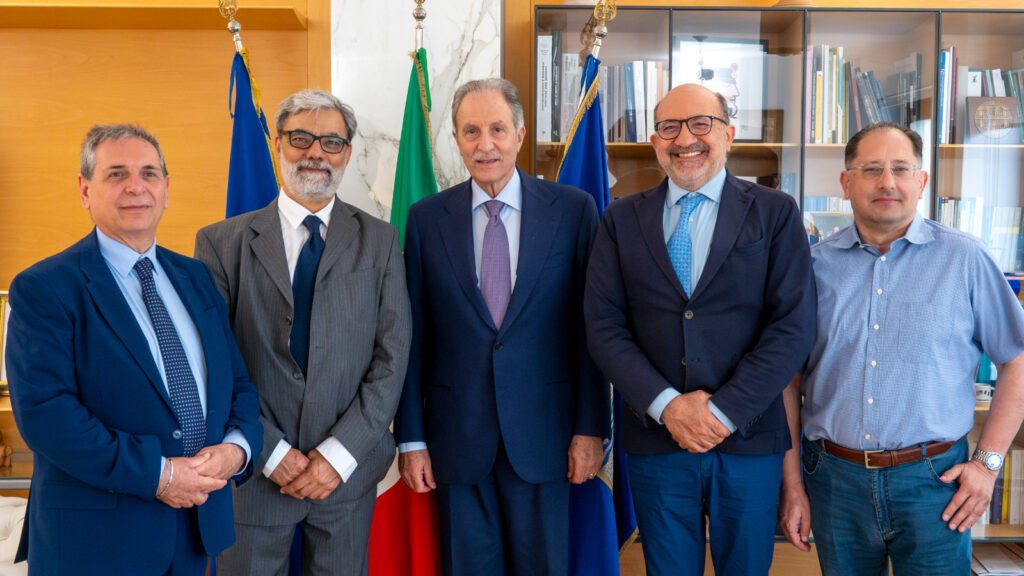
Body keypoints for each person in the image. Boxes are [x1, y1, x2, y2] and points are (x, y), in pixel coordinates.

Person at [6, 124, 262, 574]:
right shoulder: (44, 288)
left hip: (193, 532)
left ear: (166, 189)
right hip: (95, 544)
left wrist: (236, 450)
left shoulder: (196, 277)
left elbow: (237, 382)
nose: (136, 187)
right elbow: (48, 416)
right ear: (85, 190)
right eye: (117, 174)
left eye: (149, 173)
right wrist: (160, 475)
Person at [584, 83, 816, 575]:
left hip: (749, 439)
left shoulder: (775, 212)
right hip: (657, 440)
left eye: (701, 124)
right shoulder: (620, 218)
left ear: (728, 135)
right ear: (655, 142)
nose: (685, 138)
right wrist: (668, 406)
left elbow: (792, 327)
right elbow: (603, 326)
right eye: (670, 127)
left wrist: (723, 412)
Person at [779, 122, 1024, 575]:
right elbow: (787, 382)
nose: (887, 182)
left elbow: (1017, 360)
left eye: (901, 169)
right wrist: (792, 485)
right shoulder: (811, 267)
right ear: (846, 183)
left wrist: (988, 465)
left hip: (935, 483)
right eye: (871, 169)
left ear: (921, 181)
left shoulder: (966, 259)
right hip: (833, 481)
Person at [395, 78, 609, 576]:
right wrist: (411, 439)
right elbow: (412, 336)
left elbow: (591, 332)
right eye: (471, 131)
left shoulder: (573, 210)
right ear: (455, 139)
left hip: (547, 439)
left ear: (520, 134)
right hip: (456, 441)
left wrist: (591, 428)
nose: (485, 144)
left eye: (497, 129)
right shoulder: (426, 219)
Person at [195, 89, 411, 575]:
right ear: (278, 144)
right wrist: (270, 451)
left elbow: (392, 356)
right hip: (254, 474)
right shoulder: (221, 243)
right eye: (301, 138)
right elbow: (213, 363)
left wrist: (337, 455)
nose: (316, 152)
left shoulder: (380, 241)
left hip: (346, 476)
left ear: (347, 153)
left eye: (331, 142)